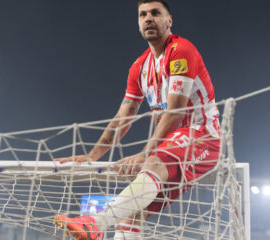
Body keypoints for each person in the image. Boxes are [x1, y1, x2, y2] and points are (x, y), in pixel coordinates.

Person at [54, 0, 221, 239]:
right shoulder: (139, 67)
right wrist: (92, 156)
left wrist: (146, 152)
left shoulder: (181, 50)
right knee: (128, 216)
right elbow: (123, 116)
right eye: (143, 15)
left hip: (203, 137)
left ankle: (95, 225)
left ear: (169, 20)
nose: (148, 19)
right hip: (172, 146)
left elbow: (175, 112)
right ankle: (99, 226)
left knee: (151, 162)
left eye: (155, 13)